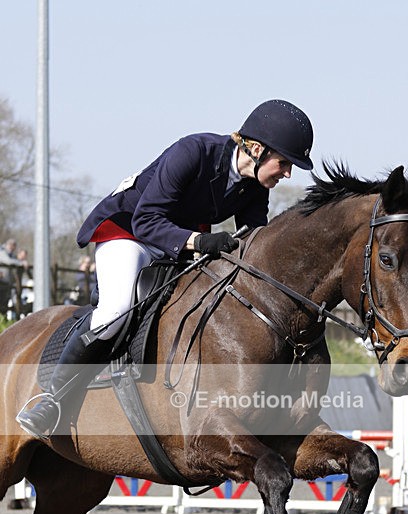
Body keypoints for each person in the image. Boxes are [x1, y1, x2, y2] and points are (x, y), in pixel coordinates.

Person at [16, 99, 314, 439]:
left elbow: (254, 239)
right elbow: (146, 220)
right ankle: (51, 399)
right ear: (257, 149)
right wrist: (201, 242)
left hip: (174, 242)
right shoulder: (194, 152)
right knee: (116, 309)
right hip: (128, 231)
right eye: (284, 163)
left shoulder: (254, 186)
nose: (287, 173)